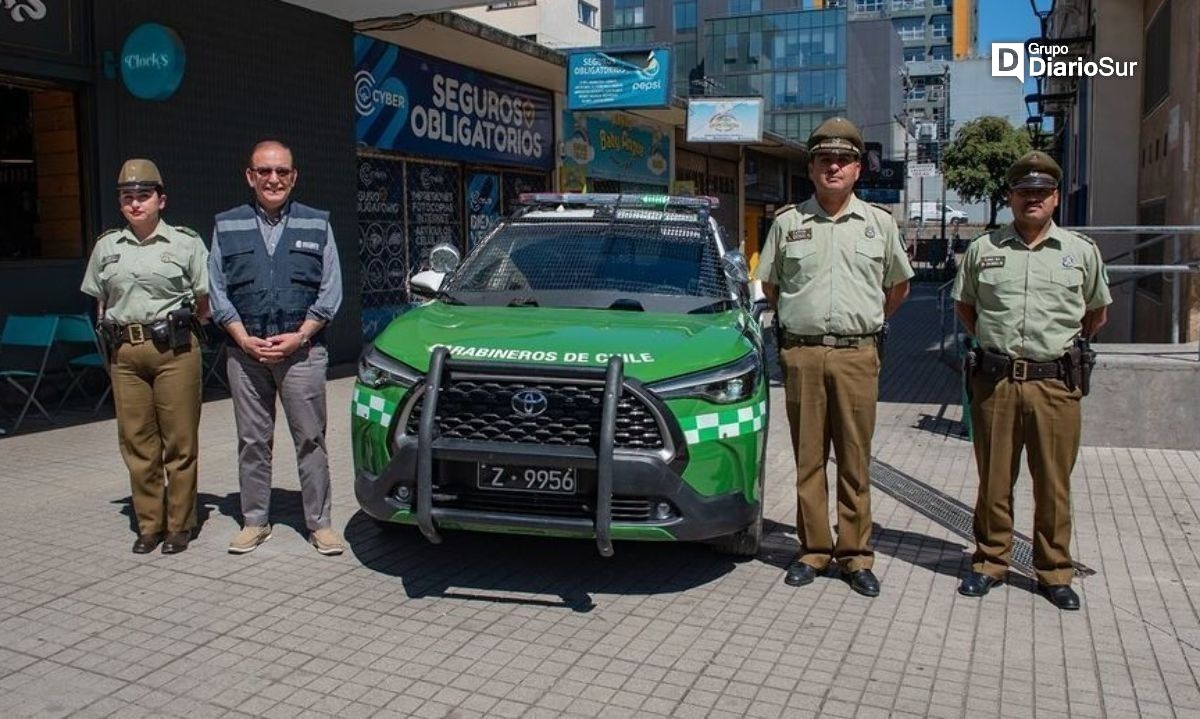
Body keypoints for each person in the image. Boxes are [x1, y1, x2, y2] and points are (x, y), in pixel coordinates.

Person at [754, 118, 914, 597]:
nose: (834, 167)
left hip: (857, 355)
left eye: (843, 160)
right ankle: (813, 550)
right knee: (808, 459)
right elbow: (772, 286)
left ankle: (855, 555)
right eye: (825, 159)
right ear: (811, 167)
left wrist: (863, 324)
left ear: (858, 169)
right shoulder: (787, 224)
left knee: (854, 460)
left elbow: (898, 287)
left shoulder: (879, 225)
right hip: (801, 354)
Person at [952, 151, 1111, 611]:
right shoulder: (985, 250)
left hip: (1055, 385)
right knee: (994, 481)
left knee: (1053, 484)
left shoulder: (1080, 252)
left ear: (1056, 197)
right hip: (996, 382)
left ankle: (1053, 571)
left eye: (1041, 192)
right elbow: (967, 308)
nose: (1033, 200)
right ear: (1011, 198)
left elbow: (1096, 313)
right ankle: (990, 562)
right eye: (1024, 192)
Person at [208, 140, 345, 555]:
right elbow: (217, 290)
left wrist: (300, 336)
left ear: (294, 176)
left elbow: (331, 289)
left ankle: (319, 524)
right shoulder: (226, 225)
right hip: (245, 353)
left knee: (311, 439)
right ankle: (254, 521)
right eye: (264, 172)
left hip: (302, 351)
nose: (273, 179)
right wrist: (241, 337)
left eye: (282, 172)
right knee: (252, 440)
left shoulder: (317, 223)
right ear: (250, 176)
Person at [81, 159, 209, 555]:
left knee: (179, 440)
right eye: (127, 197)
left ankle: (180, 524)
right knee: (137, 441)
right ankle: (149, 524)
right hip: (126, 352)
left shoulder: (186, 243)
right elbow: (100, 301)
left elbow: (204, 303)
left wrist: (182, 327)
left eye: (143, 196)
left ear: (161, 199)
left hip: (174, 350)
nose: (135, 203)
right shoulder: (107, 247)